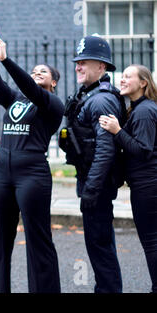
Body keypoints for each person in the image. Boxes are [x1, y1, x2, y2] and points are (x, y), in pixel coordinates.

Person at [0, 33, 63, 293]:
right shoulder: (16, 99)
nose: (37, 72)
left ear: (54, 82)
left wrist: (5, 60)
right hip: (2, 173)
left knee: (38, 241)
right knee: (1, 243)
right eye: (34, 71)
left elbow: (28, 87)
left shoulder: (52, 104)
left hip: (32, 176)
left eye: (43, 72)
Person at [59, 35, 125, 293]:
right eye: (77, 61)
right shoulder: (90, 94)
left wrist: (92, 190)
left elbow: (105, 152)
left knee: (99, 245)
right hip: (91, 182)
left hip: (96, 185)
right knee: (99, 244)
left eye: (84, 62)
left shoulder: (101, 100)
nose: (78, 66)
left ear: (102, 67)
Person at [99, 64, 157, 293]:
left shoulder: (143, 111)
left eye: (128, 76)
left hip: (148, 185)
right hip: (146, 183)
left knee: (152, 241)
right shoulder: (139, 108)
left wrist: (117, 131)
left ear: (143, 82)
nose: (122, 80)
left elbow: (143, 151)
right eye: (121, 76)